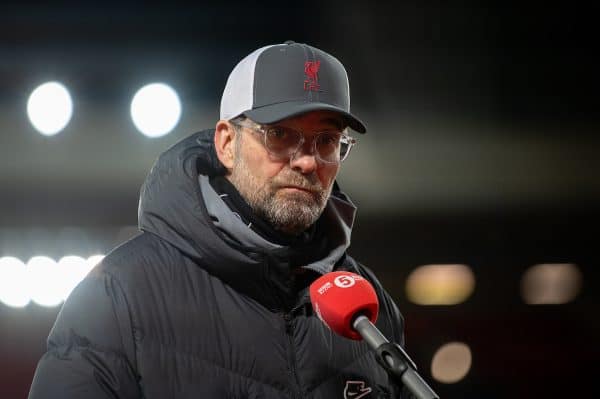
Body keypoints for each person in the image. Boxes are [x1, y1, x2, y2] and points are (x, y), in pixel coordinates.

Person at [29, 41, 408, 398]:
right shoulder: (117, 295)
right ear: (227, 143)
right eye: (278, 134)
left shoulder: (371, 312)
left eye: (326, 140)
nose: (307, 161)